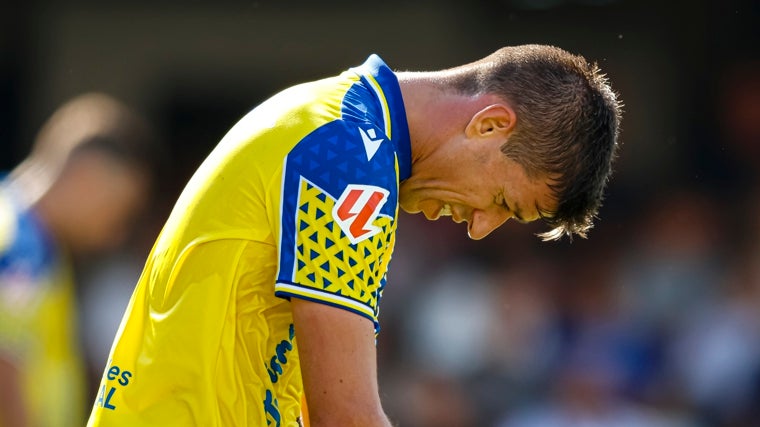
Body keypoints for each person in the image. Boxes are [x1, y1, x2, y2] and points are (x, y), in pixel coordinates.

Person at [87, 44, 621, 427]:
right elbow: (344, 415)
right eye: (503, 202)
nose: (482, 227)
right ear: (489, 125)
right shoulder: (352, 159)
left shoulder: (339, 123)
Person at [0, 93, 158, 427]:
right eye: (122, 210)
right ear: (88, 178)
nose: (116, 233)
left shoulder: (33, 242)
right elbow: (4, 366)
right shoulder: (17, 243)